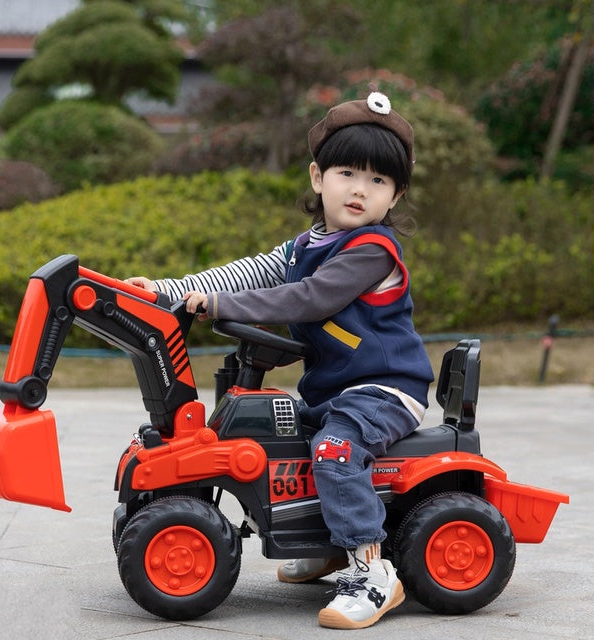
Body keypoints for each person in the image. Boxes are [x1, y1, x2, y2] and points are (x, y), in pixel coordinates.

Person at [126, 89, 434, 630]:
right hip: (334, 392)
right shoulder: (302, 247)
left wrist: (220, 307)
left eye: (378, 180)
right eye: (347, 173)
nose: (360, 189)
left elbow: (308, 298)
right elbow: (248, 273)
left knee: (335, 451)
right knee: (279, 442)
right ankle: (325, 545)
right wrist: (168, 290)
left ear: (396, 195)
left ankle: (371, 570)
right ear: (318, 177)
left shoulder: (371, 250)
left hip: (385, 389)